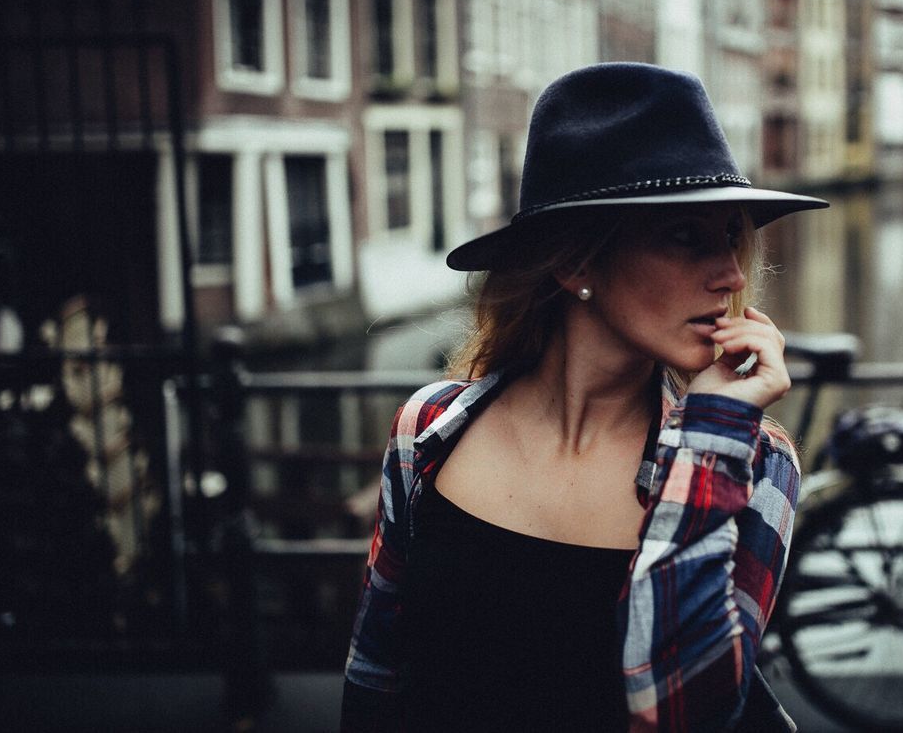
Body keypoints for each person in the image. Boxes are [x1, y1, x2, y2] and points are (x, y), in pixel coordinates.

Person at [341, 62, 828, 732]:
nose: (733, 274)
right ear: (576, 263)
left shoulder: (749, 463)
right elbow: (376, 671)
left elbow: (686, 712)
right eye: (687, 236)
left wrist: (714, 432)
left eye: (731, 237)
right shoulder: (429, 430)